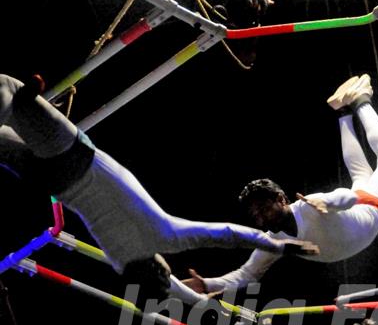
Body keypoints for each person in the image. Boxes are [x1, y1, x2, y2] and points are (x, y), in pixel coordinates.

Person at [0, 74, 319, 302]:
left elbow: (226, 234)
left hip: (73, 156)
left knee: (11, 92)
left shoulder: (165, 234)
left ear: (162, 263)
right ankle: (25, 105)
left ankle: (23, 100)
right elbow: (168, 287)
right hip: (52, 180)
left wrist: (281, 246)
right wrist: (201, 298)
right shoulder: (120, 260)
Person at [182, 74, 378, 297]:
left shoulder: (308, 206)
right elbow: (247, 274)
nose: (261, 219)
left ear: (281, 199)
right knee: (360, 173)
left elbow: (348, 197)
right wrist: (207, 284)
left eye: (264, 209)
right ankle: (342, 111)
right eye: (256, 215)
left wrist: (327, 201)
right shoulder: (274, 240)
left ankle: (360, 100)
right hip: (363, 214)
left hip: (375, 207)